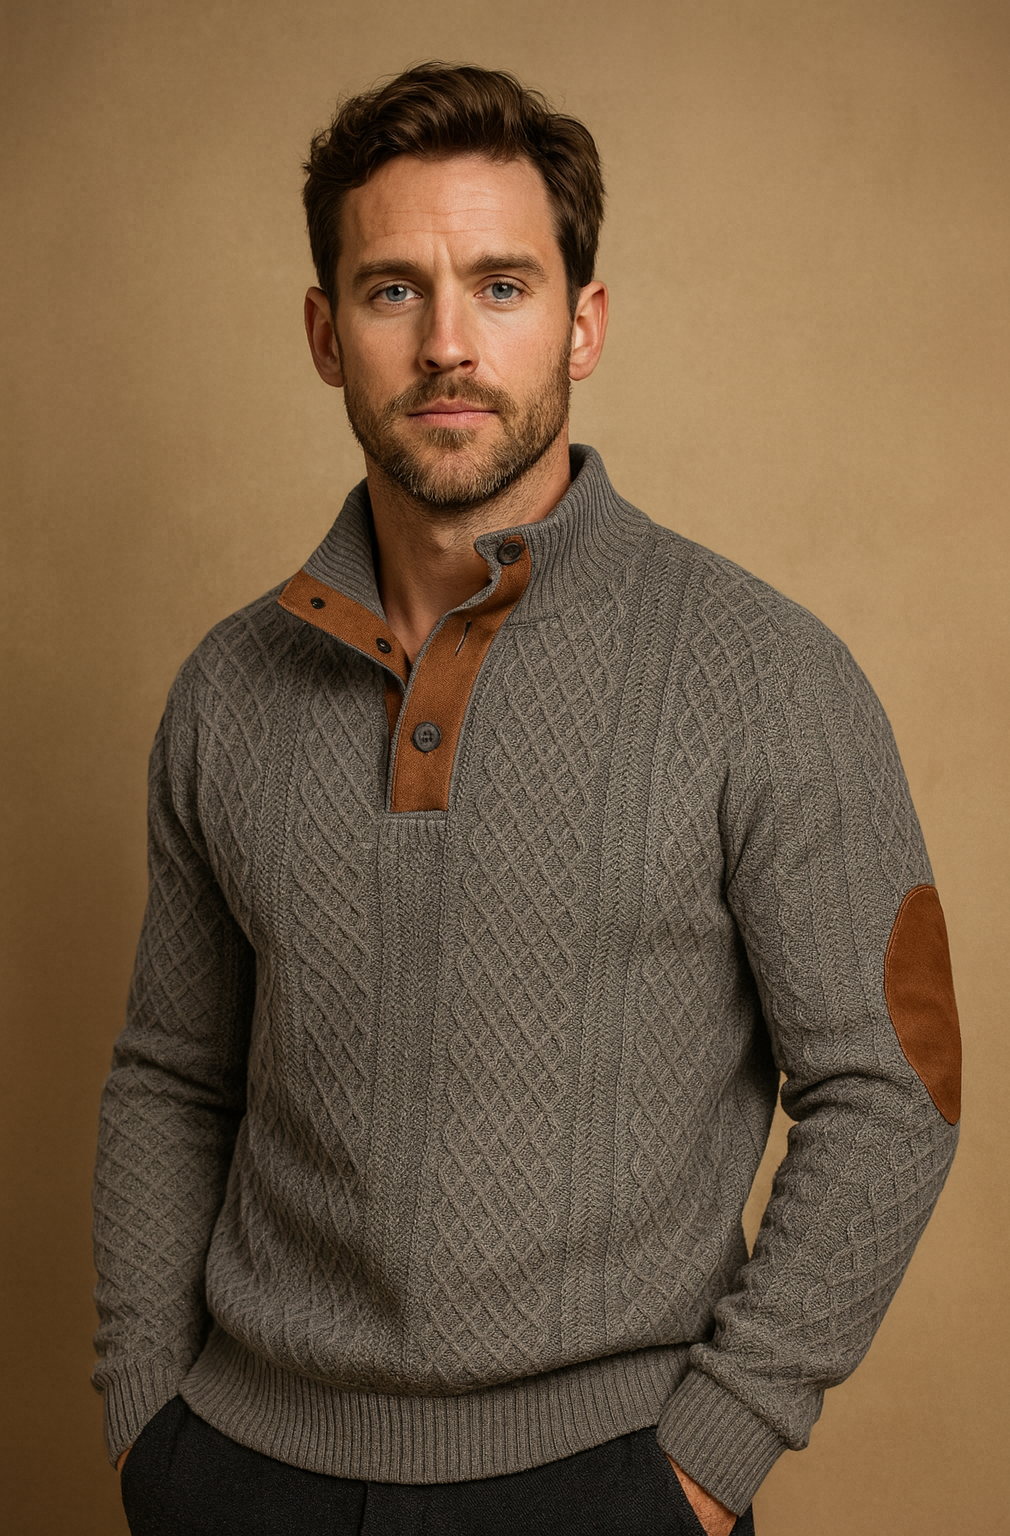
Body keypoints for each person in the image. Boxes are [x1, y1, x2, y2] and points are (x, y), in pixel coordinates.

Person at [92, 62, 961, 1536]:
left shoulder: (764, 672)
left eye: (502, 286)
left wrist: (710, 1460)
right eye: (393, 290)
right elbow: (174, 1077)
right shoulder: (228, 690)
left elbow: (898, 1084)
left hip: (607, 1479)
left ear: (584, 323)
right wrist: (145, 1422)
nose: (448, 343)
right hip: (237, 1466)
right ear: (325, 334)